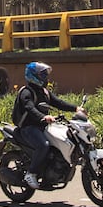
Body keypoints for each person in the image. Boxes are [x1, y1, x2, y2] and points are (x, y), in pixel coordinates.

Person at [12, 61, 84, 189]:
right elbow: (30, 108)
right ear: (34, 76)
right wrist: (43, 117)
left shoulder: (44, 92)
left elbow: (58, 102)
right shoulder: (26, 92)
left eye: (45, 75)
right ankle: (31, 173)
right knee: (43, 145)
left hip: (43, 127)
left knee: (62, 139)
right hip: (28, 128)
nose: (45, 77)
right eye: (42, 75)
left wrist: (76, 108)